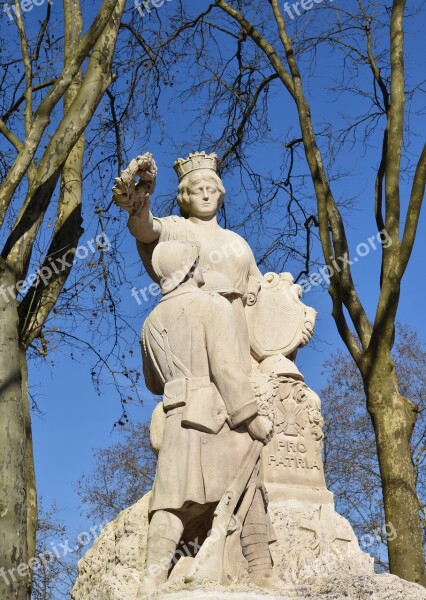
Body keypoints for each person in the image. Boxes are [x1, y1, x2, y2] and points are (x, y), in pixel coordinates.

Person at [140, 240, 277, 591]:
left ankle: (151, 578)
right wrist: (250, 418)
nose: (202, 268)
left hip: (175, 417)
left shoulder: (150, 322)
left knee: (169, 502)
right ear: (188, 270)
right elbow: (228, 369)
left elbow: (154, 382)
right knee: (247, 484)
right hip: (217, 417)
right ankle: (261, 570)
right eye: (197, 263)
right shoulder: (213, 306)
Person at [114, 151, 262, 371]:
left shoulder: (236, 241)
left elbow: (261, 284)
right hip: (195, 333)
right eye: (197, 191)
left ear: (219, 195)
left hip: (242, 334)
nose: (205, 196)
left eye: (210, 190)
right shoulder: (177, 228)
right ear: (185, 197)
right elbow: (146, 230)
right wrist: (139, 205)